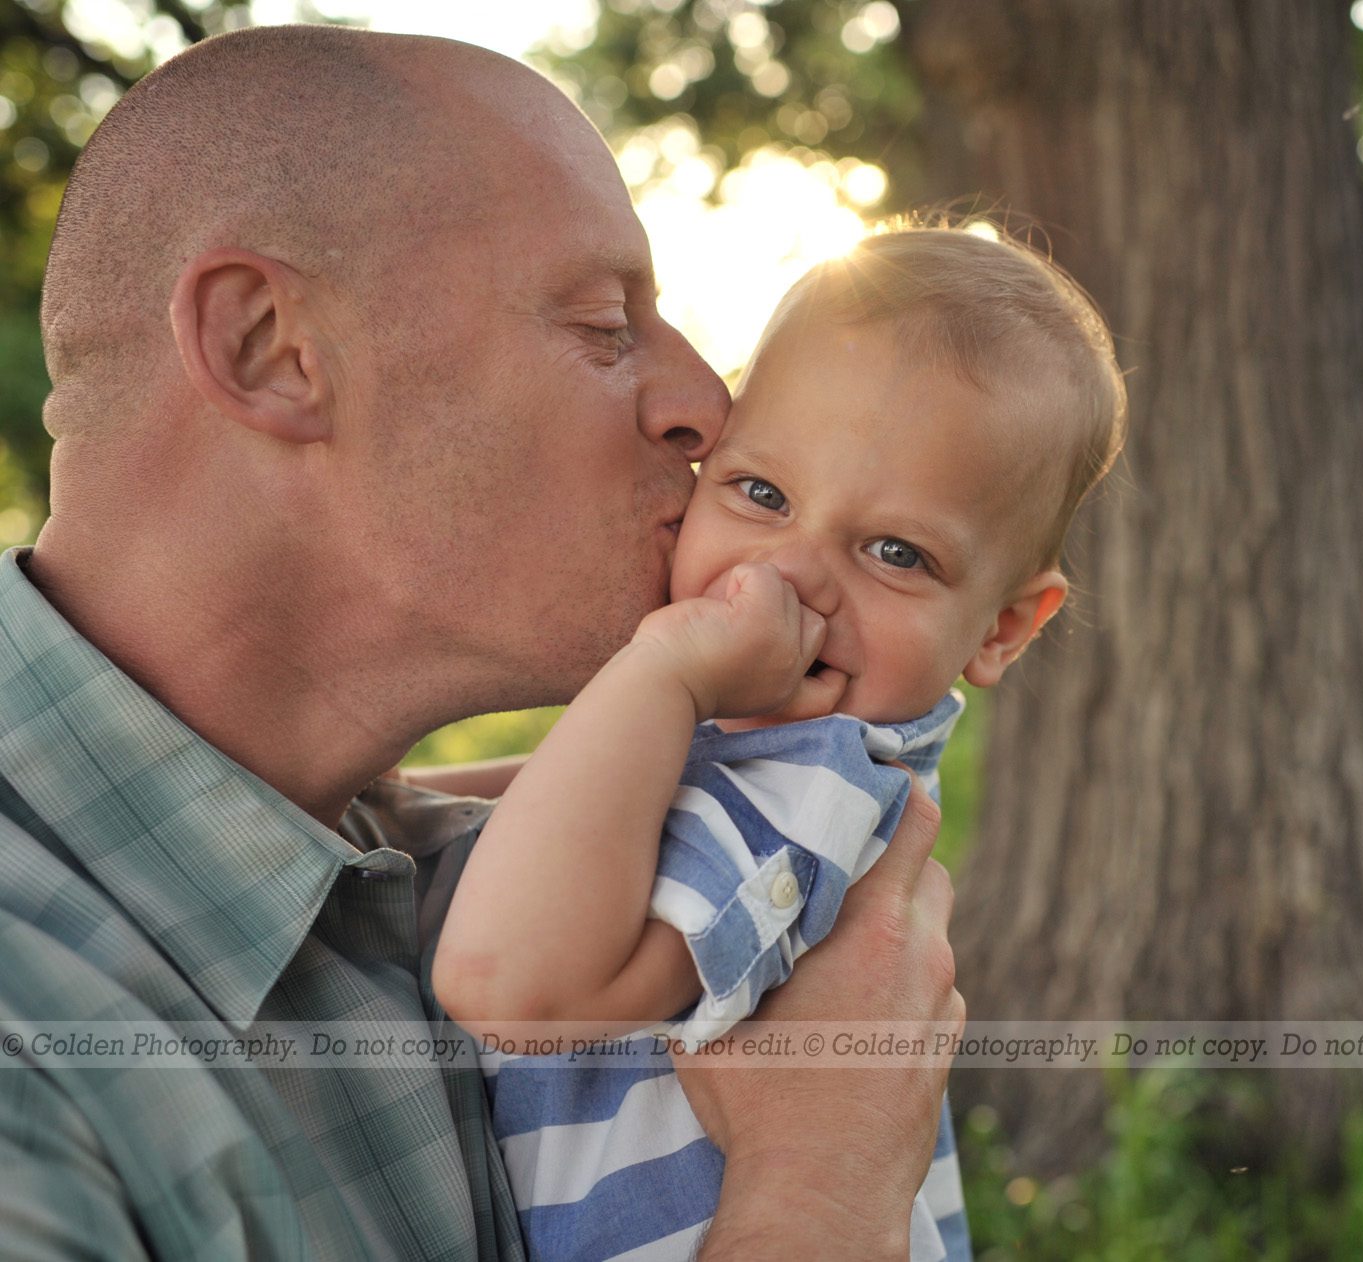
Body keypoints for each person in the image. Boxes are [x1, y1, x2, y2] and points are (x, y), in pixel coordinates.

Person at [0, 24, 961, 1261]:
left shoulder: (445, 857)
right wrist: (820, 1188)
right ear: (272, 350)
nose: (707, 409)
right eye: (606, 325)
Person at [429, 228, 1127, 1261]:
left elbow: (513, 987)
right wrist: (389, 795)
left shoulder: (818, 786)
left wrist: (665, 665)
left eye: (897, 552)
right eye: (761, 493)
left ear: (1001, 628)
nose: (790, 573)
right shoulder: (743, 757)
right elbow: (565, 809)